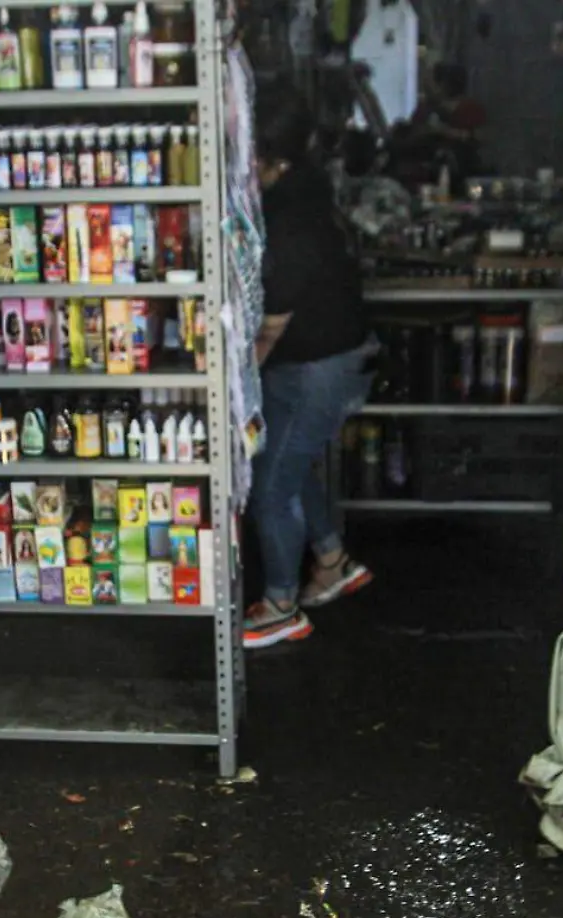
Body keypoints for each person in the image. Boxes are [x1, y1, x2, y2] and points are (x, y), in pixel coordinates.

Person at [243, 89, 377, 650]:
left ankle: (279, 605)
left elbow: (273, 323)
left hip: (318, 368)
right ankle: (331, 561)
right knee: (290, 464)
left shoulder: (290, 217)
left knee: (272, 485)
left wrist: (237, 387)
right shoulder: (306, 193)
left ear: (273, 157)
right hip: (331, 359)